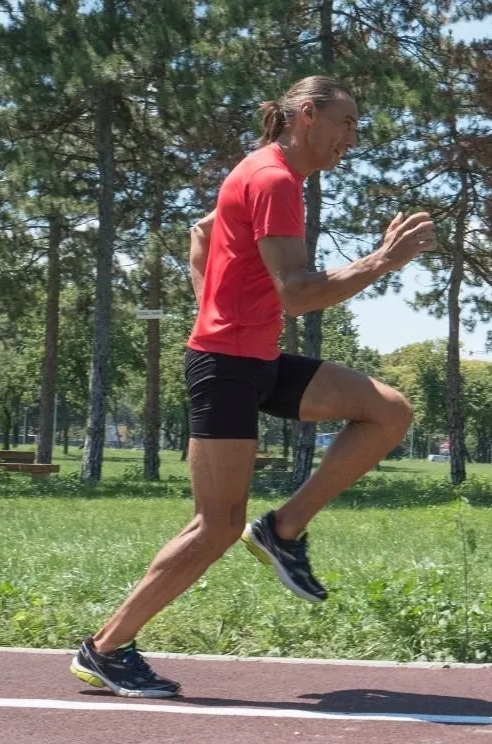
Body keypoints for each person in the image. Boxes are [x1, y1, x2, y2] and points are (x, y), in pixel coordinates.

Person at [69, 76, 435, 697]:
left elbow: (201, 233)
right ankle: (105, 649)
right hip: (227, 368)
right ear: (308, 116)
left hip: (252, 357)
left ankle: (282, 530)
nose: (352, 138)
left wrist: (213, 308)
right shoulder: (274, 180)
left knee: (387, 411)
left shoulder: (262, 171)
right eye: (345, 122)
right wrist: (382, 262)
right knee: (214, 525)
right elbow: (297, 295)